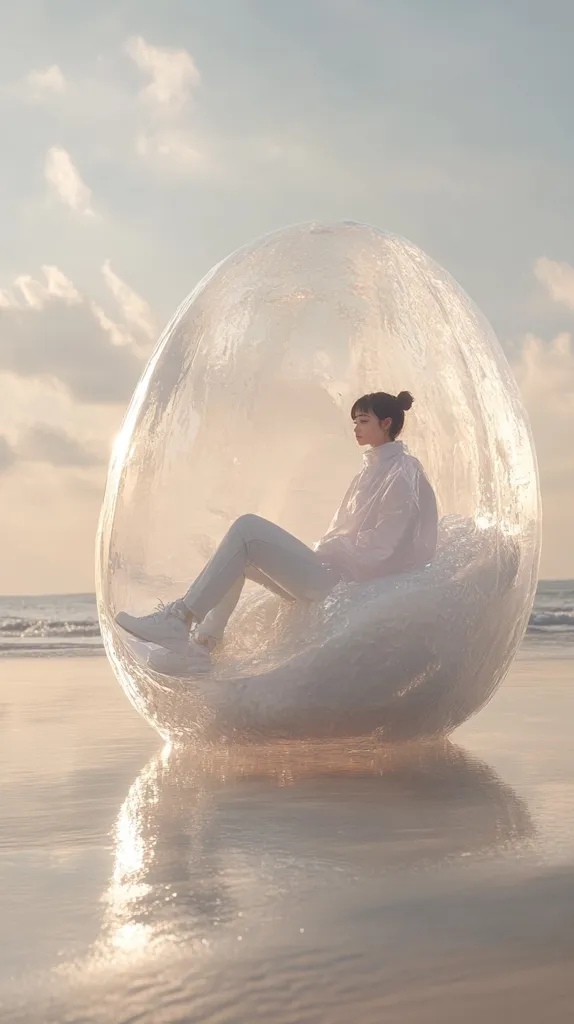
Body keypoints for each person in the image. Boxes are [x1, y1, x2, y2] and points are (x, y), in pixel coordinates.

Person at [115, 390, 438, 670]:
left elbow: (385, 544)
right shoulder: (370, 470)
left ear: (387, 423)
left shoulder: (402, 470)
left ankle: (179, 618)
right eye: (354, 421)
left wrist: (331, 556)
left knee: (247, 528)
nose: (355, 428)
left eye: (363, 420)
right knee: (238, 554)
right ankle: (202, 647)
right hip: (335, 570)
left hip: (346, 582)